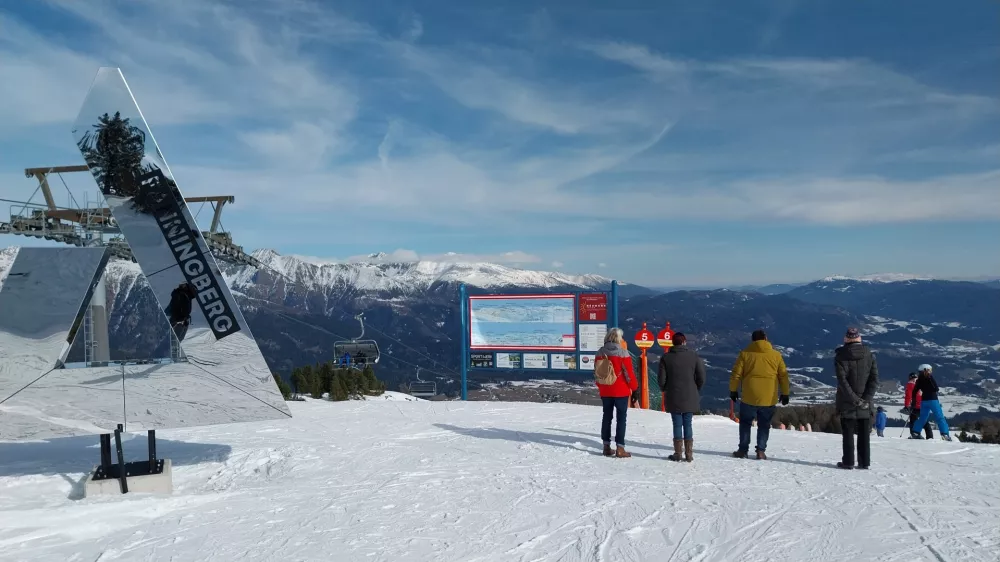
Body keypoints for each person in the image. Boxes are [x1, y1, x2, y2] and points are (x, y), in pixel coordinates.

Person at [729, 329, 790, 460]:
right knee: (764, 425)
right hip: (768, 397)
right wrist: (785, 393)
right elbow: (783, 376)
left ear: (753, 340)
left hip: (749, 395)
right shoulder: (776, 355)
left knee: (745, 423)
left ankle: (743, 450)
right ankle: (761, 451)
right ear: (766, 339)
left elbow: (736, 374)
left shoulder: (745, 354)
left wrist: (733, 390)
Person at [657, 332, 706, 462]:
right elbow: (701, 377)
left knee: (677, 424)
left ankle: (678, 453)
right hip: (690, 394)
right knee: (688, 423)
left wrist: (665, 389)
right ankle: (689, 454)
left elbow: (661, 379)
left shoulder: (666, 358)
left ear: (673, 343)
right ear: (684, 342)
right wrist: (695, 388)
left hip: (673, 394)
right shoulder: (693, 356)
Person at [834, 328, 879, 469]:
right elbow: (874, 380)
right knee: (864, 433)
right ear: (859, 339)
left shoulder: (840, 356)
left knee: (847, 433)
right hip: (866, 403)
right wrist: (866, 399)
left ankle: (848, 462)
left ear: (846, 339)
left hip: (847, 401)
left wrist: (854, 399)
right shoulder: (869, 355)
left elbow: (843, 381)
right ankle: (864, 462)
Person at [595, 328, 638, 458]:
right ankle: (620, 448)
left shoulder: (600, 352)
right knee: (621, 419)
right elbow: (629, 374)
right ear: (618, 339)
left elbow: (597, 372)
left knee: (607, 417)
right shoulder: (623, 353)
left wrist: (600, 386)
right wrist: (634, 388)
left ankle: (606, 446)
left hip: (605, 389)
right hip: (621, 390)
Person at [910, 364, 952, 441]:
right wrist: (930, 377)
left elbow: (914, 391)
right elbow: (936, 388)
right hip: (933, 401)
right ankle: (945, 434)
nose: (931, 372)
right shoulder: (929, 378)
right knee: (940, 417)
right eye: (930, 370)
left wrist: (913, 401)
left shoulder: (919, 380)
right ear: (926, 370)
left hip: (924, 401)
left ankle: (915, 432)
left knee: (923, 418)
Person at [903, 372, 933, 440]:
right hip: (924, 405)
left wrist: (906, 405)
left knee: (913, 420)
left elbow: (908, 396)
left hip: (915, 406)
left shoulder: (910, 384)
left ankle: (914, 434)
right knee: (924, 421)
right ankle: (930, 436)